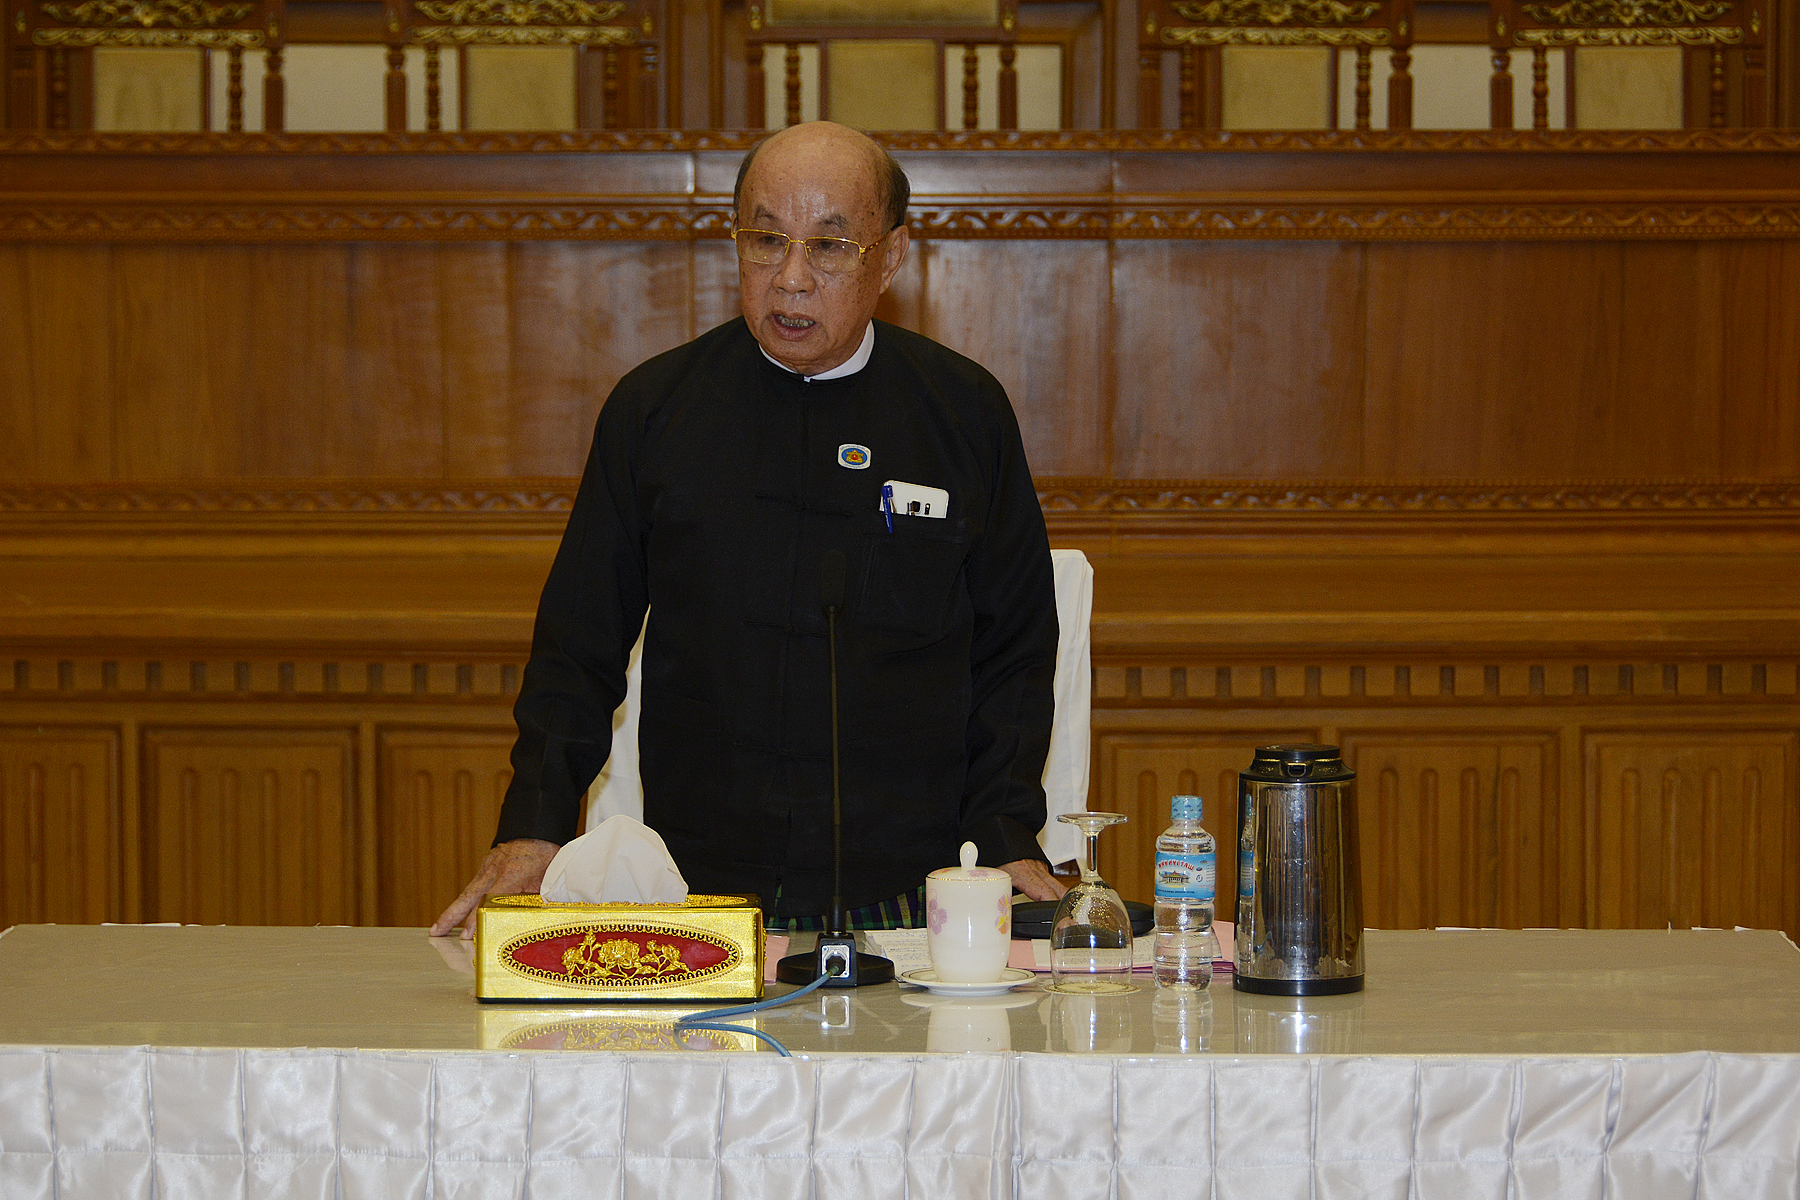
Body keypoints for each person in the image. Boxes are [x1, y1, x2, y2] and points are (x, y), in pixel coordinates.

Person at [432, 121, 1065, 939]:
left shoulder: (962, 413)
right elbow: (577, 645)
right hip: (702, 888)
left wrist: (1006, 833)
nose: (791, 279)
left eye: (830, 247)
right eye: (766, 241)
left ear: (891, 257)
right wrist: (535, 824)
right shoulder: (655, 411)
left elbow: (1015, 648)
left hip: (913, 886)